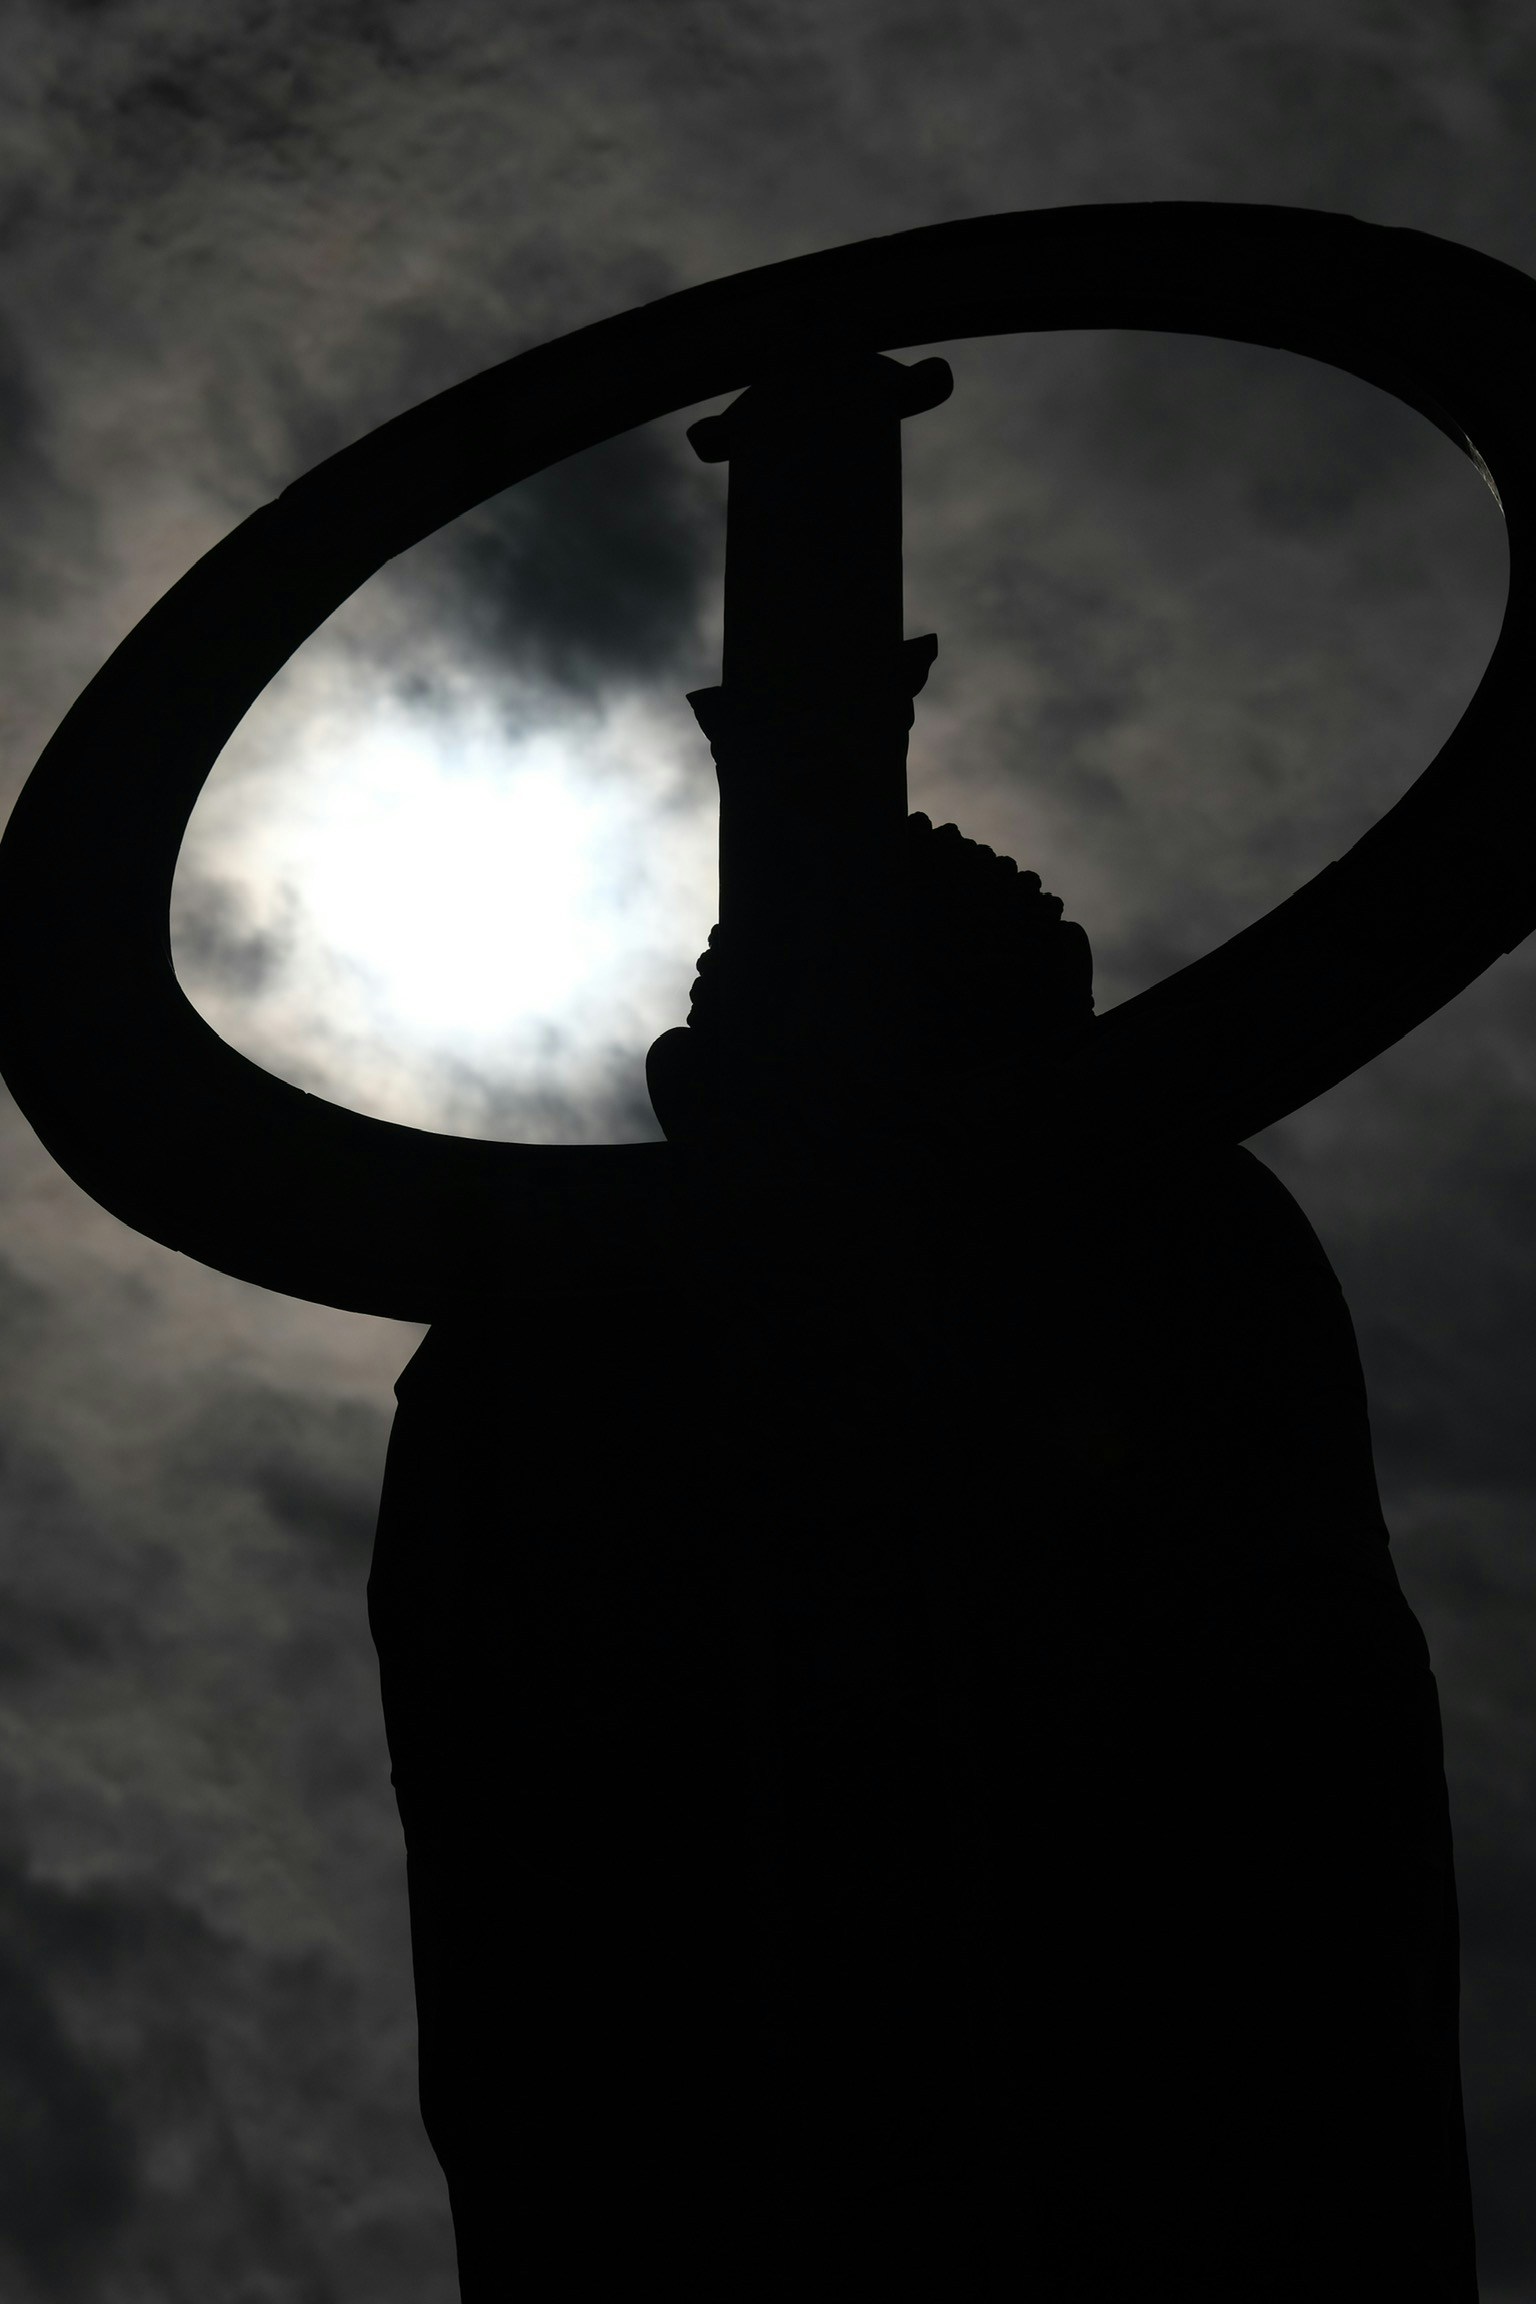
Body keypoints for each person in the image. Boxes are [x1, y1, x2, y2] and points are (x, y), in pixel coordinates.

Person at [369, 813, 1476, 2299]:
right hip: (712, 2029)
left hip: (1124, 2011)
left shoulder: (1174, 1230)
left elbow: (1306, 1711)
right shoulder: (544, 1348)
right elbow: (502, 1779)